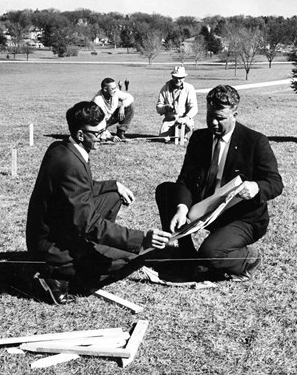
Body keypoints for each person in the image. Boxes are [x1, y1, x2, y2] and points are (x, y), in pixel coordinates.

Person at [26, 101, 170, 304]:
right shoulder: (71, 164)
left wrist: (114, 185)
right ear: (80, 134)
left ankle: (89, 253)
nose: (106, 136)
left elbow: (78, 188)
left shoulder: (62, 148)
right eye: (99, 132)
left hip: (57, 230)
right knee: (137, 254)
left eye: (105, 129)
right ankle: (65, 278)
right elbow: (89, 224)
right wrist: (141, 239)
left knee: (112, 196)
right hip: (51, 250)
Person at [155, 85, 283, 281]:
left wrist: (256, 187)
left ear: (235, 114)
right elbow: (185, 179)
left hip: (241, 217)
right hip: (206, 207)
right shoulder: (199, 138)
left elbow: (275, 182)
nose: (213, 123)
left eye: (220, 118)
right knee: (166, 190)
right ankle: (188, 257)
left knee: (211, 253)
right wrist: (181, 208)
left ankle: (249, 258)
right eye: (210, 116)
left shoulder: (255, 141)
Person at [156, 66, 198, 138]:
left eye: (181, 78)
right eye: (176, 77)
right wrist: (166, 108)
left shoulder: (189, 88)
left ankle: (184, 134)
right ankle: (174, 134)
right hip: (170, 120)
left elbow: (194, 108)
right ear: (172, 76)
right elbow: (158, 107)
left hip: (185, 120)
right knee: (162, 138)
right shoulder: (165, 88)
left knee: (187, 133)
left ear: (184, 77)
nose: (178, 80)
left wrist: (186, 118)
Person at [92, 77, 135, 141]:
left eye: (115, 87)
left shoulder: (115, 92)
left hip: (109, 118)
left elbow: (130, 97)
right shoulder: (97, 101)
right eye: (112, 88)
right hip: (98, 122)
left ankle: (120, 133)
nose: (115, 90)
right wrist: (110, 136)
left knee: (130, 106)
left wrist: (122, 106)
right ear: (105, 89)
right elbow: (99, 123)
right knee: (98, 134)